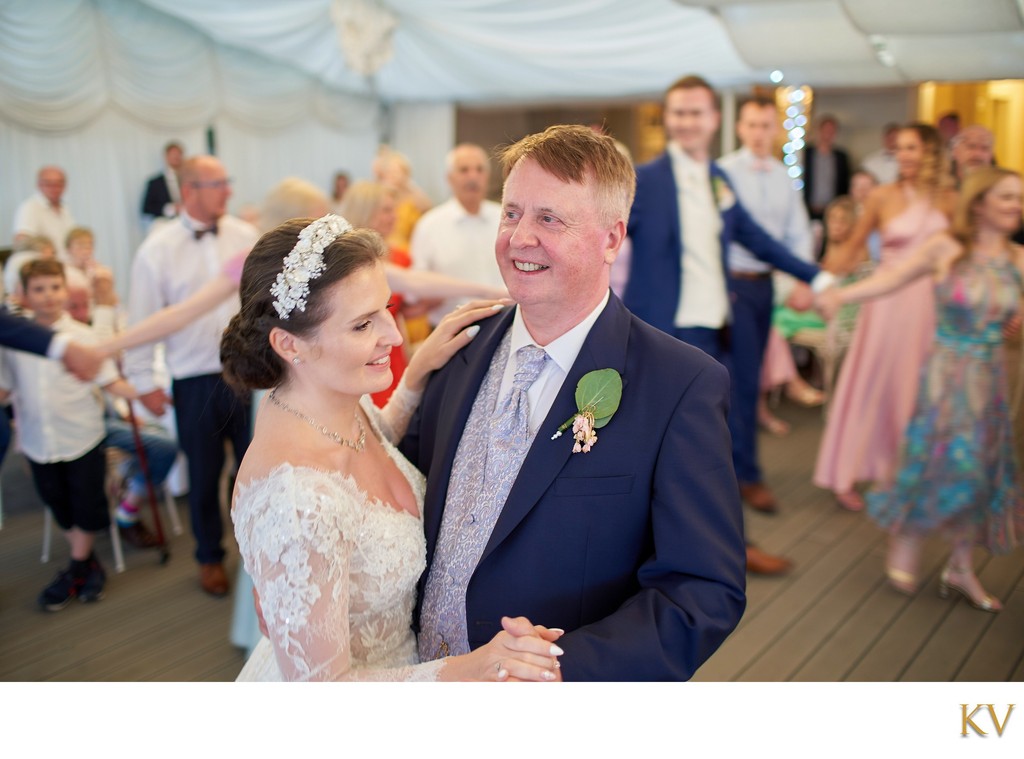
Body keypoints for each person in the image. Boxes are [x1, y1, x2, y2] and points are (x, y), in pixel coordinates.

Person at [402, 124, 746, 680]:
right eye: (511, 213)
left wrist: (561, 670)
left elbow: (701, 592)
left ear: (612, 239)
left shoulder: (681, 386)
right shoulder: (458, 348)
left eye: (549, 219)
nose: (519, 238)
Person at [223, 215, 560, 681]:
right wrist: (471, 668)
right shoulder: (296, 500)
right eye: (363, 325)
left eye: (386, 309)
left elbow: (371, 443)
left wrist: (413, 379)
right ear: (289, 344)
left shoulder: (329, 405)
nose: (394, 335)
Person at [624, 75, 832, 571]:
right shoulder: (646, 180)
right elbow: (603, 232)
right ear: (668, 118)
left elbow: (758, 239)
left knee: (711, 444)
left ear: (715, 119)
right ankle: (674, 551)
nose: (687, 122)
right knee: (666, 447)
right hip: (664, 332)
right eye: (678, 113)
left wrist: (816, 277)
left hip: (713, 331)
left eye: (696, 113)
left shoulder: (719, 180)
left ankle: (724, 549)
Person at [816, 167, 1024, 611]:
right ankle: (907, 536)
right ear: (981, 203)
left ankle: (961, 566)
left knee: (979, 471)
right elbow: (891, 279)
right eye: (1006, 197)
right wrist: (840, 295)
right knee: (933, 459)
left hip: (990, 380)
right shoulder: (946, 248)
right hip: (946, 377)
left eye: (1019, 198)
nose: (1015, 206)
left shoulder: (1019, 258)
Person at [123, 155, 259, 598]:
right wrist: (143, 382)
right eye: (217, 183)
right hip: (194, 378)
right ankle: (208, 557)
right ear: (188, 191)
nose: (228, 191)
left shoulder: (244, 236)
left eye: (227, 181)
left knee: (255, 472)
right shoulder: (156, 250)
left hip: (249, 373)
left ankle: (258, 553)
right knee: (203, 474)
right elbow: (142, 319)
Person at [815, 123, 957, 511]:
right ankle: (845, 472)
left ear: (931, 152)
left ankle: (905, 472)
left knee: (919, 389)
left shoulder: (949, 199)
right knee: (872, 386)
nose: (906, 155)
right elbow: (850, 250)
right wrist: (816, 282)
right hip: (886, 304)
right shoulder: (881, 197)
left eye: (914, 147)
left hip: (931, 305)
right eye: (901, 148)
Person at [0, 259, 137, 609]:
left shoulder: (83, 336)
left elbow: (109, 380)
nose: (48, 296)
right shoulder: (14, 340)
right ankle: (88, 565)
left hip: (82, 436)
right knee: (57, 504)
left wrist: (141, 395)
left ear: (65, 290)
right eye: (39, 289)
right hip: (37, 441)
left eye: (54, 287)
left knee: (86, 504)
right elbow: (4, 389)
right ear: (24, 295)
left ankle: (77, 568)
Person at [717, 95, 815, 518]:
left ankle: (745, 471)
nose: (759, 133)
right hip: (731, 285)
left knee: (751, 381)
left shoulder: (783, 177)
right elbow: (732, 234)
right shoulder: (723, 172)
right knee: (736, 383)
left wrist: (801, 279)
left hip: (764, 289)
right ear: (740, 128)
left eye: (765, 126)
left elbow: (797, 231)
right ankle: (743, 474)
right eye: (752, 125)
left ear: (775, 129)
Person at [410, 143, 505, 326]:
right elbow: (416, 285)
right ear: (449, 178)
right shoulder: (430, 225)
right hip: (450, 329)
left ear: (487, 176)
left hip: (502, 324)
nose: (473, 176)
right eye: (464, 170)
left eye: (479, 170)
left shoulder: (505, 218)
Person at [13, 166, 75, 261]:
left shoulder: (64, 208)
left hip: (68, 264)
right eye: (48, 184)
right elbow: (21, 243)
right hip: (47, 268)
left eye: (59, 184)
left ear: (65, 186)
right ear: (39, 185)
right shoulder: (30, 207)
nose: (54, 188)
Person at [802, 115, 851, 220]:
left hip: (832, 213)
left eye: (831, 131)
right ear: (819, 131)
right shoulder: (806, 154)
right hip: (807, 209)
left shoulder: (841, 157)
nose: (828, 135)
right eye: (825, 130)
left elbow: (844, 185)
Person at [141, 141, 185, 225]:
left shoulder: (191, 180)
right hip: (165, 224)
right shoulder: (155, 183)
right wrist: (170, 209)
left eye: (178, 154)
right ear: (166, 156)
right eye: (173, 154)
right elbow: (146, 208)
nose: (176, 157)